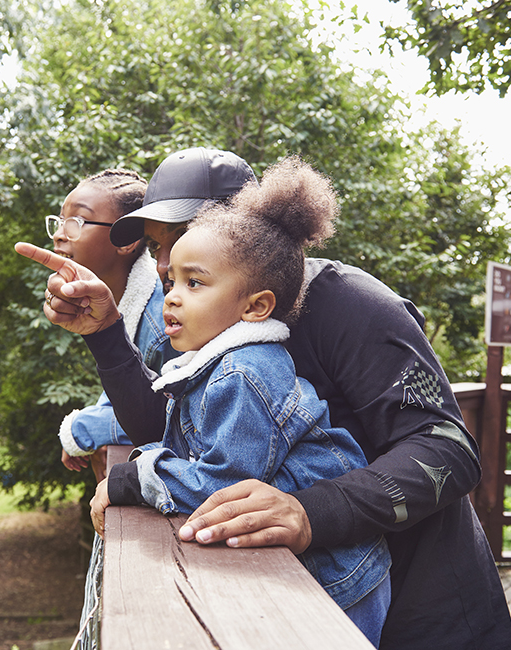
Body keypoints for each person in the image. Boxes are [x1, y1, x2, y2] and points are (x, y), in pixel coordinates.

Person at [15, 147, 511, 649]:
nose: (166, 265)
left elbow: (447, 451)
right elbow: (163, 429)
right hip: (308, 606)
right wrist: (105, 333)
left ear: (249, 228)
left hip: (428, 610)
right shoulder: (215, 323)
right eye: (155, 247)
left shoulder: (353, 304)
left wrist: (308, 512)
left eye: (182, 235)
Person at [88, 157, 391, 646]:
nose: (169, 292)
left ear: (255, 305)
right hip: (298, 569)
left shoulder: (244, 370)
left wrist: (132, 478)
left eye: (194, 281)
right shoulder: (214, 355)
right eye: (168, 275)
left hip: (339, 579)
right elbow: (182, 437)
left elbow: (226, 479)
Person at [46, 168, 175, 473]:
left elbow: (173, 413)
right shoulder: (124, 302)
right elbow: (126, 382)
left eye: (77, 222)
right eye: (60, 221)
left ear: (126, 240)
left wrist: (81, 429)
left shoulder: (163, 319)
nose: (60, 234)